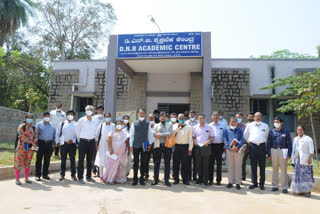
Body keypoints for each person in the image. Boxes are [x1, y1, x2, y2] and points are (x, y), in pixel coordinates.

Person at [243, 112, 269, 190]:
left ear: (261, 117)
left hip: (261, 147)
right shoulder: (249, 126)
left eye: (259, 116)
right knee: (253, 165)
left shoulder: (265, 126)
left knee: (262, 166)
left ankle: (262, 183)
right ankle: (254, 182)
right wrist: (250, 142)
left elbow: (267, 136)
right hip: (252, 146)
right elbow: (245, 135)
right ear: (254, 117)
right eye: (256, 116)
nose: (257, 118)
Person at [267, 117, 292, 193]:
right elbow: (268, 143)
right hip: (274, 150)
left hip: (283, 151)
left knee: (283, 169)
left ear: (281, 122)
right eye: (275, 122)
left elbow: (289, 143)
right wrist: (269, 154)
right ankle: (275, 185)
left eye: (277, 122)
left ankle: (284, 187)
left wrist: (289, 154)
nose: (276, 123)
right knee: (275, 169)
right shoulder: (271, 131)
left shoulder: (286, 131)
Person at [129, 109, 153, 186]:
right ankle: (135, 178)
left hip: (145, 144)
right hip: (136, 144)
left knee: (143, 162)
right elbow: (131, 135)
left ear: (145, 114)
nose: (142, 114)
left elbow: (150, 135)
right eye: (140, 113)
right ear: (138, 114)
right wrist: (131, 145)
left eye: (143, 113)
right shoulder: (134, 123)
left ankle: (141, 178)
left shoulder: (147, 123)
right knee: (136, 162)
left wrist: (150, 144)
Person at [291, 126, 315, 197]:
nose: (299, 131)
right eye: (298, 130)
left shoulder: (308, 139)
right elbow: (294, 150)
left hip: (306, 160)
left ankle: (307, 191)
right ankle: (299, 191)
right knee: (298, 176)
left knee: (306, 176)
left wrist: (310, 158)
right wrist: (293, 160)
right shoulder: (295, 139)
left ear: (304, 131)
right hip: (297, 160)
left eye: (301, 130)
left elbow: (311, 150)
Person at [14, 114, 37, 185]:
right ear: (25, 118)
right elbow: (21, 136)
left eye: (31, 118)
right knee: (18, 163)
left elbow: (35, 137)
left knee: (28, 163)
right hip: (21, 148)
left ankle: (26, 178)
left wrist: (34, 143)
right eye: (28, 117)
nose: (29, 119)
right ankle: (17, 179)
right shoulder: (21, 126)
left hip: (30, 149)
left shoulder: (34, 128)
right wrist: (31, 142)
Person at [76, 105, 97, 184]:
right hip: (83, 141)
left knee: (90, 160)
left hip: (91, 142)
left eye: (91, 109)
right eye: (88, 109)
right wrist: (80, 139)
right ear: (85, 110)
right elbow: (77, 130)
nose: (90, 111)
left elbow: (95, 131)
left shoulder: (94, 120)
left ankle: (88, 176)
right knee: (81, 160)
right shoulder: (81, 120)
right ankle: (80, 177)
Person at [152, 112, 173, 186]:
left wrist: (160, 134)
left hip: (167, 146)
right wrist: (164, 134)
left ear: (166, 118)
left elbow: (170, 133)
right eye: (161, 116)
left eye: (164, 116)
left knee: (167, 163)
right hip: (158, 146)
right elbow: (154, 133)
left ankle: (166, 180)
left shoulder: (170, 125)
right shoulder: (156, 125)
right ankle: (156, 180)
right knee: (156, 163)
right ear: (159, 118)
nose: (163, 118)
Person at [192, 113, 214, 187]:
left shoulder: (209, 127)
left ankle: (205, 180)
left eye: (202, 118)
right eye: (200, 118)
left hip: (206, 147)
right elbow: (193, 137)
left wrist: (207, 142)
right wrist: (195, 142)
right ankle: (200, 179)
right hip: (198, 147)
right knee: (198, 164)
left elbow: (212, 137)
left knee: (205, 164)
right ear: (198, 119)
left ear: (205, 119)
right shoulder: (195, 127)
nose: (201, 119)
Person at [56, 110, 78, 181]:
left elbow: (78, 135)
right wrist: (57, 142)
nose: (70, 115)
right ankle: (62, 174)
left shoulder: (76, 124)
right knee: (63, 160)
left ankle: (73, 175)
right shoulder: (62, 124)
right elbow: (57, 133)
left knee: (72, 160)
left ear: (73, 116)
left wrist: (73, 140)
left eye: (71, 114)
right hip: (63, 144)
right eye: (69, 114)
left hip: (72, 145)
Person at [224, 117, 244, 190]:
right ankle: (230, 182)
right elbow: (225, 140)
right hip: (229, 150)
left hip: (237, 150)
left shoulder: (240, 130)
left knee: (238, 166)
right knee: (230, 166)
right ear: (229, 122)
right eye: (231, 121)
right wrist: (230, 148)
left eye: (234, 122)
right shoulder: (226, 130)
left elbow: (242, 139)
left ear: (236, 122)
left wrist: (237, 147)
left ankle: (238, 183)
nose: (233, 123)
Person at [94, 112, 115, 183]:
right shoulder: (101, 125)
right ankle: (101, 175)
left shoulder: (113, 125)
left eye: (108, 116)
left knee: (109, 159)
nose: (107, 118)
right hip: (102, 144)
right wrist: (97, 144)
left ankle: (108, 175)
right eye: (106, 116)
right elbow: (96, 135)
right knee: (101, 159)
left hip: (110, 144)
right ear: (104, 117)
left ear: (110, 117)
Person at [172, 113, 193, 185]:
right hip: (176, 146)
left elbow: (190, 138)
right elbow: (172, 134)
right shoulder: (174, 126)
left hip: (185, 147)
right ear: (177, 118)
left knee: (185, 164)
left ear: (185, 118)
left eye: (182, 118)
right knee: (175, 164)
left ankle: (185, 179)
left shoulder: (189, 127)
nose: (181, 119)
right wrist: (178, 127)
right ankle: (176, 179)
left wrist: (190, 149)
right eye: (179, 118)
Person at [35, 111, 56, 181]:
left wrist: (53, 144)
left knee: (47, 160)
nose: (47, 117)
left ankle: (45, 174)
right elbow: (36, 135)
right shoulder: (39, 124)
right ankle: (37, 175)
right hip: (41, 143)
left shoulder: (52, 125)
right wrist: (35, 145)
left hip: (49, 144)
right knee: (39, 159)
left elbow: (54, 136)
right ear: (43, 117)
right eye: (46, 116)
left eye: (48, 116)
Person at [209, 112, 225, 185]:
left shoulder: (223, 125)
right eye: (214, 116)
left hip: (220, 146)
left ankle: (218, 180)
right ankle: (210, 180)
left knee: (219, 164)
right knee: (211, 164)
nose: (215, 117)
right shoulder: (209, 125)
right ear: (212, 117)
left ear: (219, 117)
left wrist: (224, 146)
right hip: (211, 146)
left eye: (216, 116)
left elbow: (225, 136)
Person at [185, 110, 199, 181]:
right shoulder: (185, 123)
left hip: (196, 145)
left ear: (195, 116)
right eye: (191, 114)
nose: (192, 116)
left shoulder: (198, 123)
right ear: (188, 115)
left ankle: (194, 176)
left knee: (196, 161)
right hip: (188, 144)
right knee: (188, 161)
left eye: (193, 114)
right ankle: (189, 176)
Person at [92, 105, 105, 177]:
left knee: (101, 155)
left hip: (102, 138)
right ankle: (94, 170)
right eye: (99, 110)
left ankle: (100, 171)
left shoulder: (105, 118)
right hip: (94, 138)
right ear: (97, 111)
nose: (100, 111)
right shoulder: (93, 118)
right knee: (94, 155)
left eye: (101, 110)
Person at [242, 112, 254, 181]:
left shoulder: (255, 125)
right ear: (247, 118)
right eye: (249, 117)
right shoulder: (244, 125)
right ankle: (243, 176)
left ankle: (253, 178)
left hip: (253, 145)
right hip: (245, 145)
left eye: (251, 117)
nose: (250, 118)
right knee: (243, 161)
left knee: (253, 161)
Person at [144, 113, 155, 181]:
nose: (151, 119)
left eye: (153, 118)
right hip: (147, 144)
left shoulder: (157, 126)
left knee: (156, 161)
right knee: (146, 160)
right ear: (148, 119)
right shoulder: (145, 126)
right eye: (150, 118)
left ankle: (155, 176)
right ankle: (146, 175)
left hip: (155, 144)